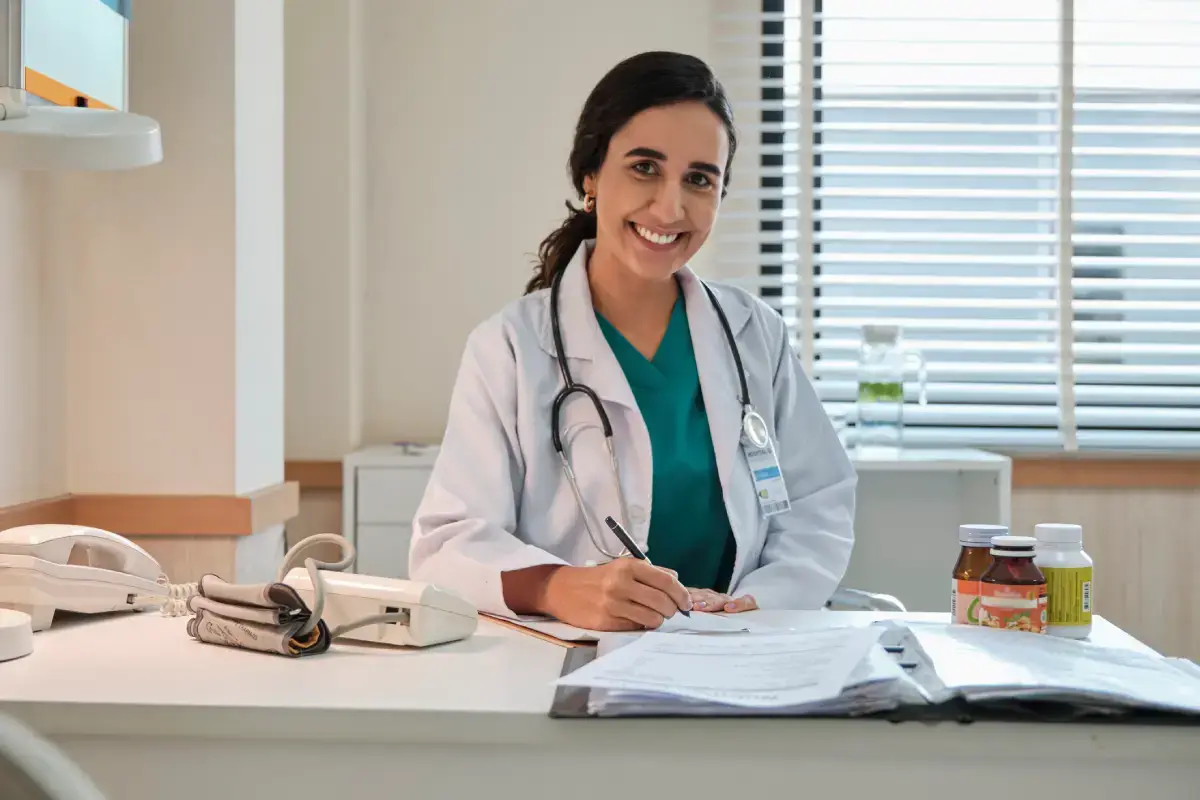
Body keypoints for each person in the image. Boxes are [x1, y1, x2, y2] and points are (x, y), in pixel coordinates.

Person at [409, 51, 856, 632]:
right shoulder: (512, 348)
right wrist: (558, 587)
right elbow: (446, 544)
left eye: (699, 178)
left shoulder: (755, 336)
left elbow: (817, 502)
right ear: (591, 177)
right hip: (573, 662)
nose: (670, 207)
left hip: (737, 653)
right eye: (645, 167)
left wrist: (761, 600)